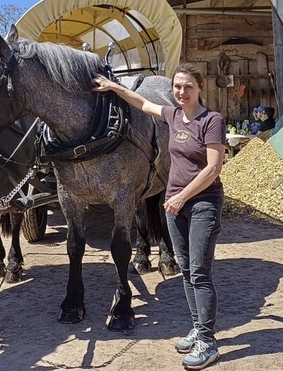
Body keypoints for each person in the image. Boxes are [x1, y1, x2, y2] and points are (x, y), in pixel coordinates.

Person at [93, 63, 225, 370]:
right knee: (187, 271)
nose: (181, 92)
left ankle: (208, 341)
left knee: (201, 272)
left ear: (199, 89)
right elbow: (142, 103)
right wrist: (113, 87)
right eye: (177, 87)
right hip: (175, 205)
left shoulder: (211, 120)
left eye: (188, 86)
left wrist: (180, 196)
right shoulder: (174, 115)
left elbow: (213, 168)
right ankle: (197, 328)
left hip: (203, 202)